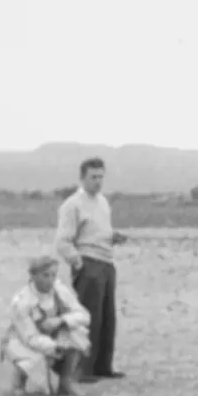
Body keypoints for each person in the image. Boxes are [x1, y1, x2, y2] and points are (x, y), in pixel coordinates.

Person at [55, 157, 128, 383]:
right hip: (88, 263)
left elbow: (98, 231)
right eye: (93, 177)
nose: (98, 182)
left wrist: (112, 237)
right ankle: (81, 369)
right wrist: (78, 263)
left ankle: (102, 366)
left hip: (106, 262)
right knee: (89, 318)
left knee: (107, 319)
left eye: (100, 177)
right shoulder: (72, 205)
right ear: (82, 178)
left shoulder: (103, 203)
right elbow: (63, 241)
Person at [1, 255, 91, 396]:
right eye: (45, 275)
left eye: (53, 275)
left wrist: (61, 320)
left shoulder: (58, 288)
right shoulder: (22, 301)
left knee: (78, 334)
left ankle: (66, 381)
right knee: (34, 358)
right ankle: (18, 383)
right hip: (22, 340)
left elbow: (84, 316)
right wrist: (54, 347)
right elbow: (29, 337)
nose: (50, 280)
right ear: (33, 276)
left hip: (49, 334)